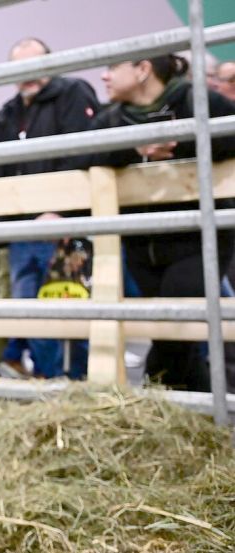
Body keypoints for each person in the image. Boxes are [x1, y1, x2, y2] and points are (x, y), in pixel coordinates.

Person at [89, 53, 235, 391]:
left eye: (113, 68)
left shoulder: (199, 101)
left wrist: (181, 140)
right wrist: (136, 150)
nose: (105, 77)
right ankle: (195, 407)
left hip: (197, 237)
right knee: (172, 335)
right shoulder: (111, 118)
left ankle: (154, 393)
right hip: (141, 242)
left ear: (143, 70)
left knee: (173, 329)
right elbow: (82, 157)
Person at [0, 37, 100, 379]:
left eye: (35, 65)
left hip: (64, 226)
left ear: (50, 63)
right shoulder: (7, 112)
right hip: (22, 230)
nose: (28, 75)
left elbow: (83, 152)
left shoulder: (74, 93)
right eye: (20, 68)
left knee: (69, 301)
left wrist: (61, 211)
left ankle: (76, 380)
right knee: (29, 308)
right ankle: (46, 379)